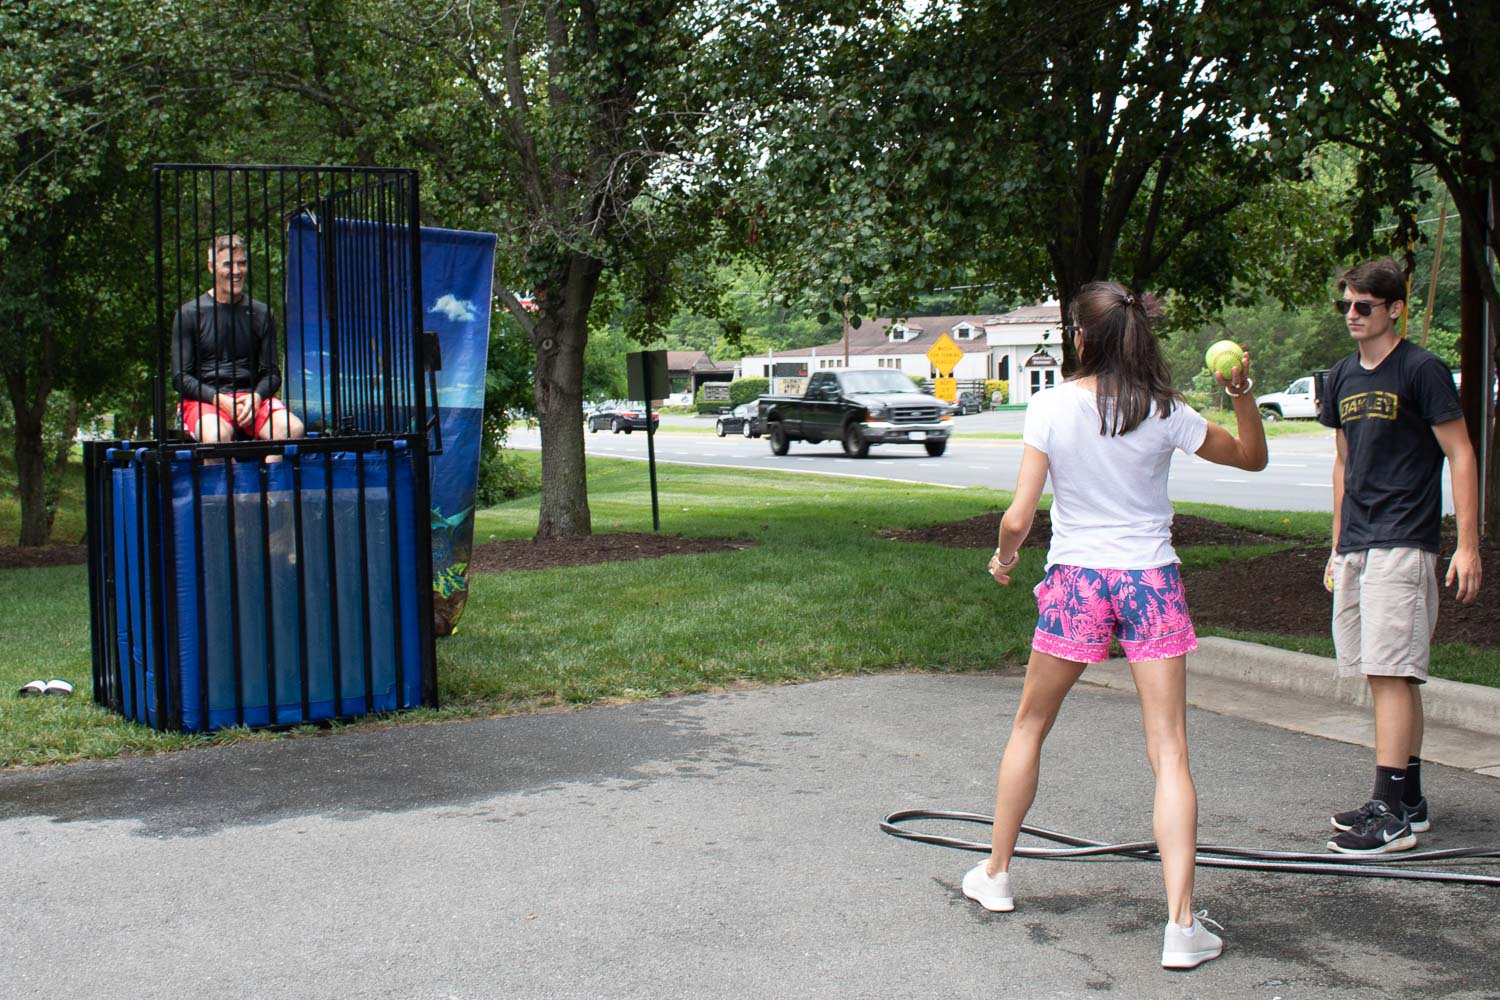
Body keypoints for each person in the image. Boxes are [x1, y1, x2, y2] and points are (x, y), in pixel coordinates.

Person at [960, 282, 1267, 970]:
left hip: (1078, 581)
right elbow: (1253, 459)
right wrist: (1242, 390)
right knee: (1170, 752)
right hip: (1150, 581)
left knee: (1029, 726)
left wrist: (1006, 558)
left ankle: (998, 876)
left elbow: (1018, 517)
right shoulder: (1165, 411)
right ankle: (1181, 926)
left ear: (1080, 338)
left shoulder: (1049, 405)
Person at [1318, 258, 1482, 855]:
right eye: (1347, 305)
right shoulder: (1340, 377)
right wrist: (1337, 545)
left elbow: (1461, 455)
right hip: (1359, 543)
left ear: (1395, 309)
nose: (1353, 315)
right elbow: (1343, 462)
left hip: (1405, 540)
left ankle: (1388, 814)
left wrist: (1467, 543)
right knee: (1379, 672)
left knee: (1391, 673)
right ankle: (1406, 800)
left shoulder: (1421, 370)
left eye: (1364, 305)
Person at [172, 233, 305, 443]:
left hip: (250, 399)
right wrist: (220, 400)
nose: (236, 271)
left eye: (241, 264)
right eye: (227, 265)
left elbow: (272, 373)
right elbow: (180, 377)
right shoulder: (189, 313)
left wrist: (256, 396)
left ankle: (268, 476)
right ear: (211, 266)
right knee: (216, 436)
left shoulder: (262, 313)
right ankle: (230, 476)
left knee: (292, 429)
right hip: (205, 400)